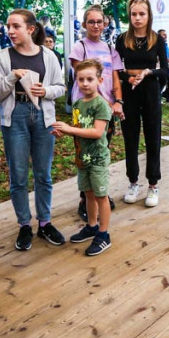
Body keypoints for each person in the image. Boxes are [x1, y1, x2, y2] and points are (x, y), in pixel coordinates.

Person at [0, 9, 67, 251]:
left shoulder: (49, 56)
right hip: (16, 118)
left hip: (43, 117)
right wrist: (12, 77)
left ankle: (45, 222)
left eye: (16, 26)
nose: (10, 31)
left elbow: (60, 87)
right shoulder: (3, 58)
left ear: (31, 29)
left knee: (43, 174)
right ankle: (24, 224)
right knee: (19, 175)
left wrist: (46, 92)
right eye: (8, 26)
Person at [69, 5, 123, 222]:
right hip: (83, 109)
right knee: (84, 151)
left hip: (106, 109)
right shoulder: (79, 46)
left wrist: (117, 101)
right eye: (91, 22)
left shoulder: (111, 50)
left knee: (101, 150)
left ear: (105, 24)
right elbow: (83, 76)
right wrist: (103, 102)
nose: (95, 25)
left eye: (99, 22)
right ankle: (86, 197)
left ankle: (100, 191)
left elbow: (115, 79)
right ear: (84, 25)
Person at [54, 60, 114, 257]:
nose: (85, 83)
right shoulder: (78, 104)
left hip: (97, 160)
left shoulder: (102, 105)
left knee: (100, 196)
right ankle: (92, 226)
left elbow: (97, 132)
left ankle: (104, 234)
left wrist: (70, 129)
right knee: (88, 194)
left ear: (100, 80)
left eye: (90, 79)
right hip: (83, 159)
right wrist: (64, 132)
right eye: (81, 80)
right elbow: (80, 129)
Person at [115, 0, 169, 207]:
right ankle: (133, 181)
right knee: (130, 137)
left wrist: (149, 72)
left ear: (149, 16)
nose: (137, 18)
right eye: (134, 14)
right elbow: (116, 69)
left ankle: (153, 184)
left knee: (153, 137)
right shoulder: (122, 39)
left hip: (150, 90)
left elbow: (165, 70)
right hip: (129, 91)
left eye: (141, 14)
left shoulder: (157, 39)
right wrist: (128, 77)